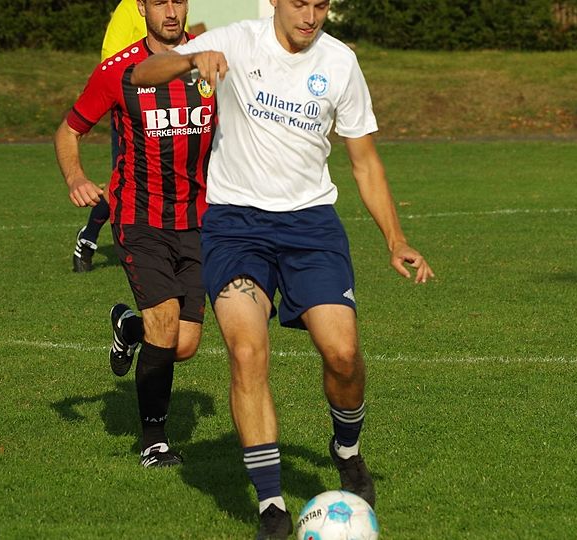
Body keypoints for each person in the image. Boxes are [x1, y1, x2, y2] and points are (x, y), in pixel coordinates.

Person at [130, 0, 435, 536]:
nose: (310, 16)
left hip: (311, 227)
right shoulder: (236, 40)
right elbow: (142, 74)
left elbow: (364, 161)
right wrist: (190, 59)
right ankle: (271, 505)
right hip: (235, 226)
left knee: (343, 354)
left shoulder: (340, 62)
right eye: (299, 3)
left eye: (321, 5)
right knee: (248, 352)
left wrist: (395, 239)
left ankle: (347, 450)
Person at [54, 0, 216, 468]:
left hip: (198, 220)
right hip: (140, 220)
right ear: (141, 7)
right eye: (159, 1)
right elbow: (69, 130)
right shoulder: (118, 71)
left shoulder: (208, 61)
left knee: (183, 344)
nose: (171, 10)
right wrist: (76, 178)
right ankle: (154, 442)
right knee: (164, 324)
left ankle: (129, 327)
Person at [71, 0, 147, 272]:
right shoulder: (128, 8)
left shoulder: (175, 7)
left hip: (171, 111)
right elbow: (110, 61)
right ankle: (88, 237)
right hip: (134, 110)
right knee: (125, 181)